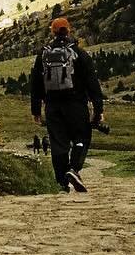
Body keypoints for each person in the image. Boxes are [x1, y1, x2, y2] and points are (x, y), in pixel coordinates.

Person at [30, 17, 105, 192]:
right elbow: (93, 84)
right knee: (82, 137)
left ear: (52, 32)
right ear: (69, 31)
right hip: (76, 104)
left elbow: (35, 84)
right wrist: (98, 110)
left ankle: (61, 183)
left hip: (52, 106)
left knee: (58, 143)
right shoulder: (79, 54)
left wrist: (36, 110)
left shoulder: (43, 55)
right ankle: (74, 169)